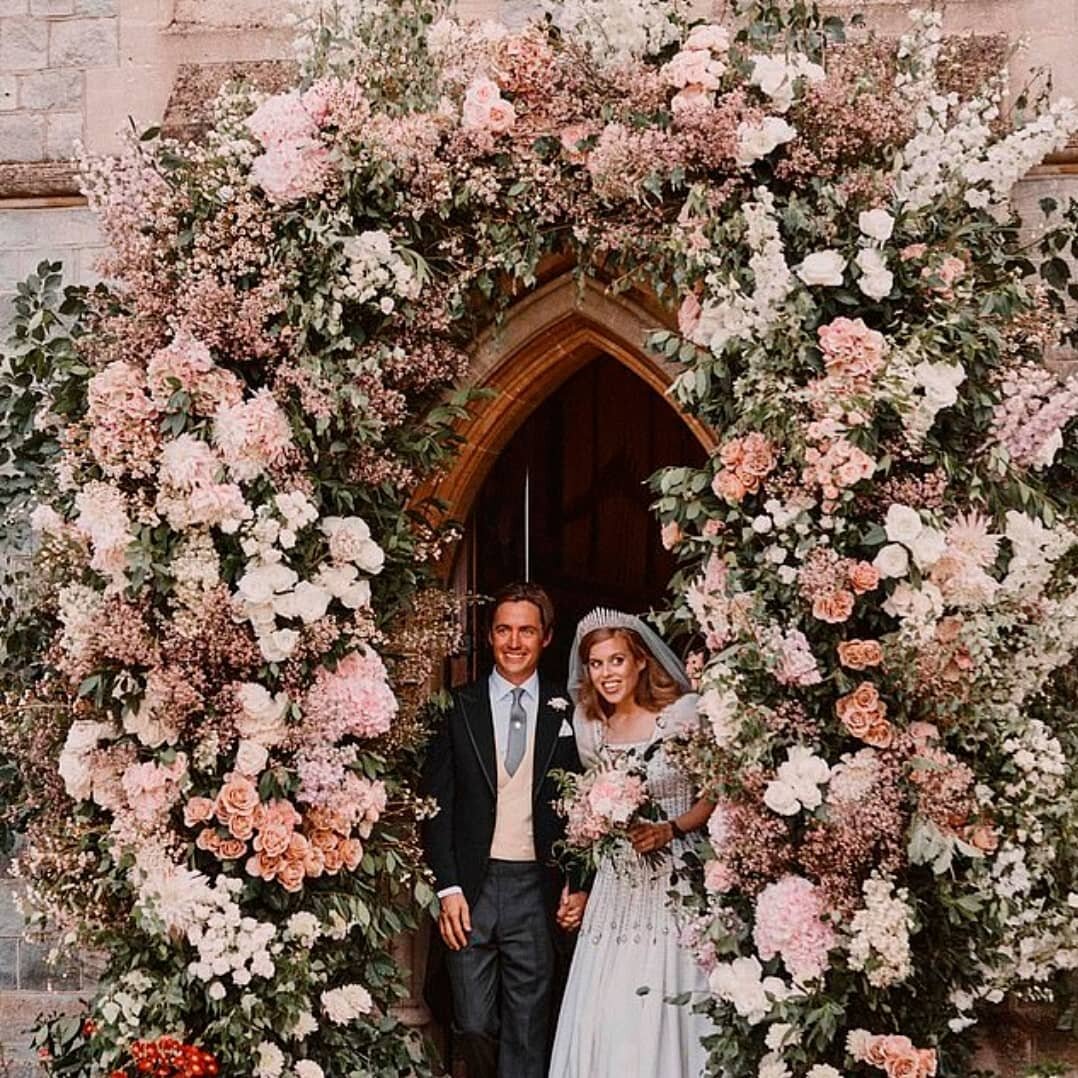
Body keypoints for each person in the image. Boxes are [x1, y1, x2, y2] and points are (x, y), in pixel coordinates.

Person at [421, 582, 589, 1078]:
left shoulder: (572, 713)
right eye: (503, 630)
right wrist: (448, 886)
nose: (514, 642)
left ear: (547, 638)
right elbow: (436, 807)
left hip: (537, 890)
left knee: (528, 1027)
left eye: (526, 631)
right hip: (472, 888)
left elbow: (587, 813)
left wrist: (577, 884)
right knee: (472, 1021)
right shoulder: (455, 708)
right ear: (490, 636)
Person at [549, 607, 715, 1078]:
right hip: (616, 883)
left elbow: (715, 793)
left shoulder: (683, 715)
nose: (605, 674)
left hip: (675, 878)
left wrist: (672, 829)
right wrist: (578, 882)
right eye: (596, 664)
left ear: (640, 661)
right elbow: (588, 814)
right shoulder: (592, 728)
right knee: (610, 997)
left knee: (665, 988)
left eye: (616, 661)